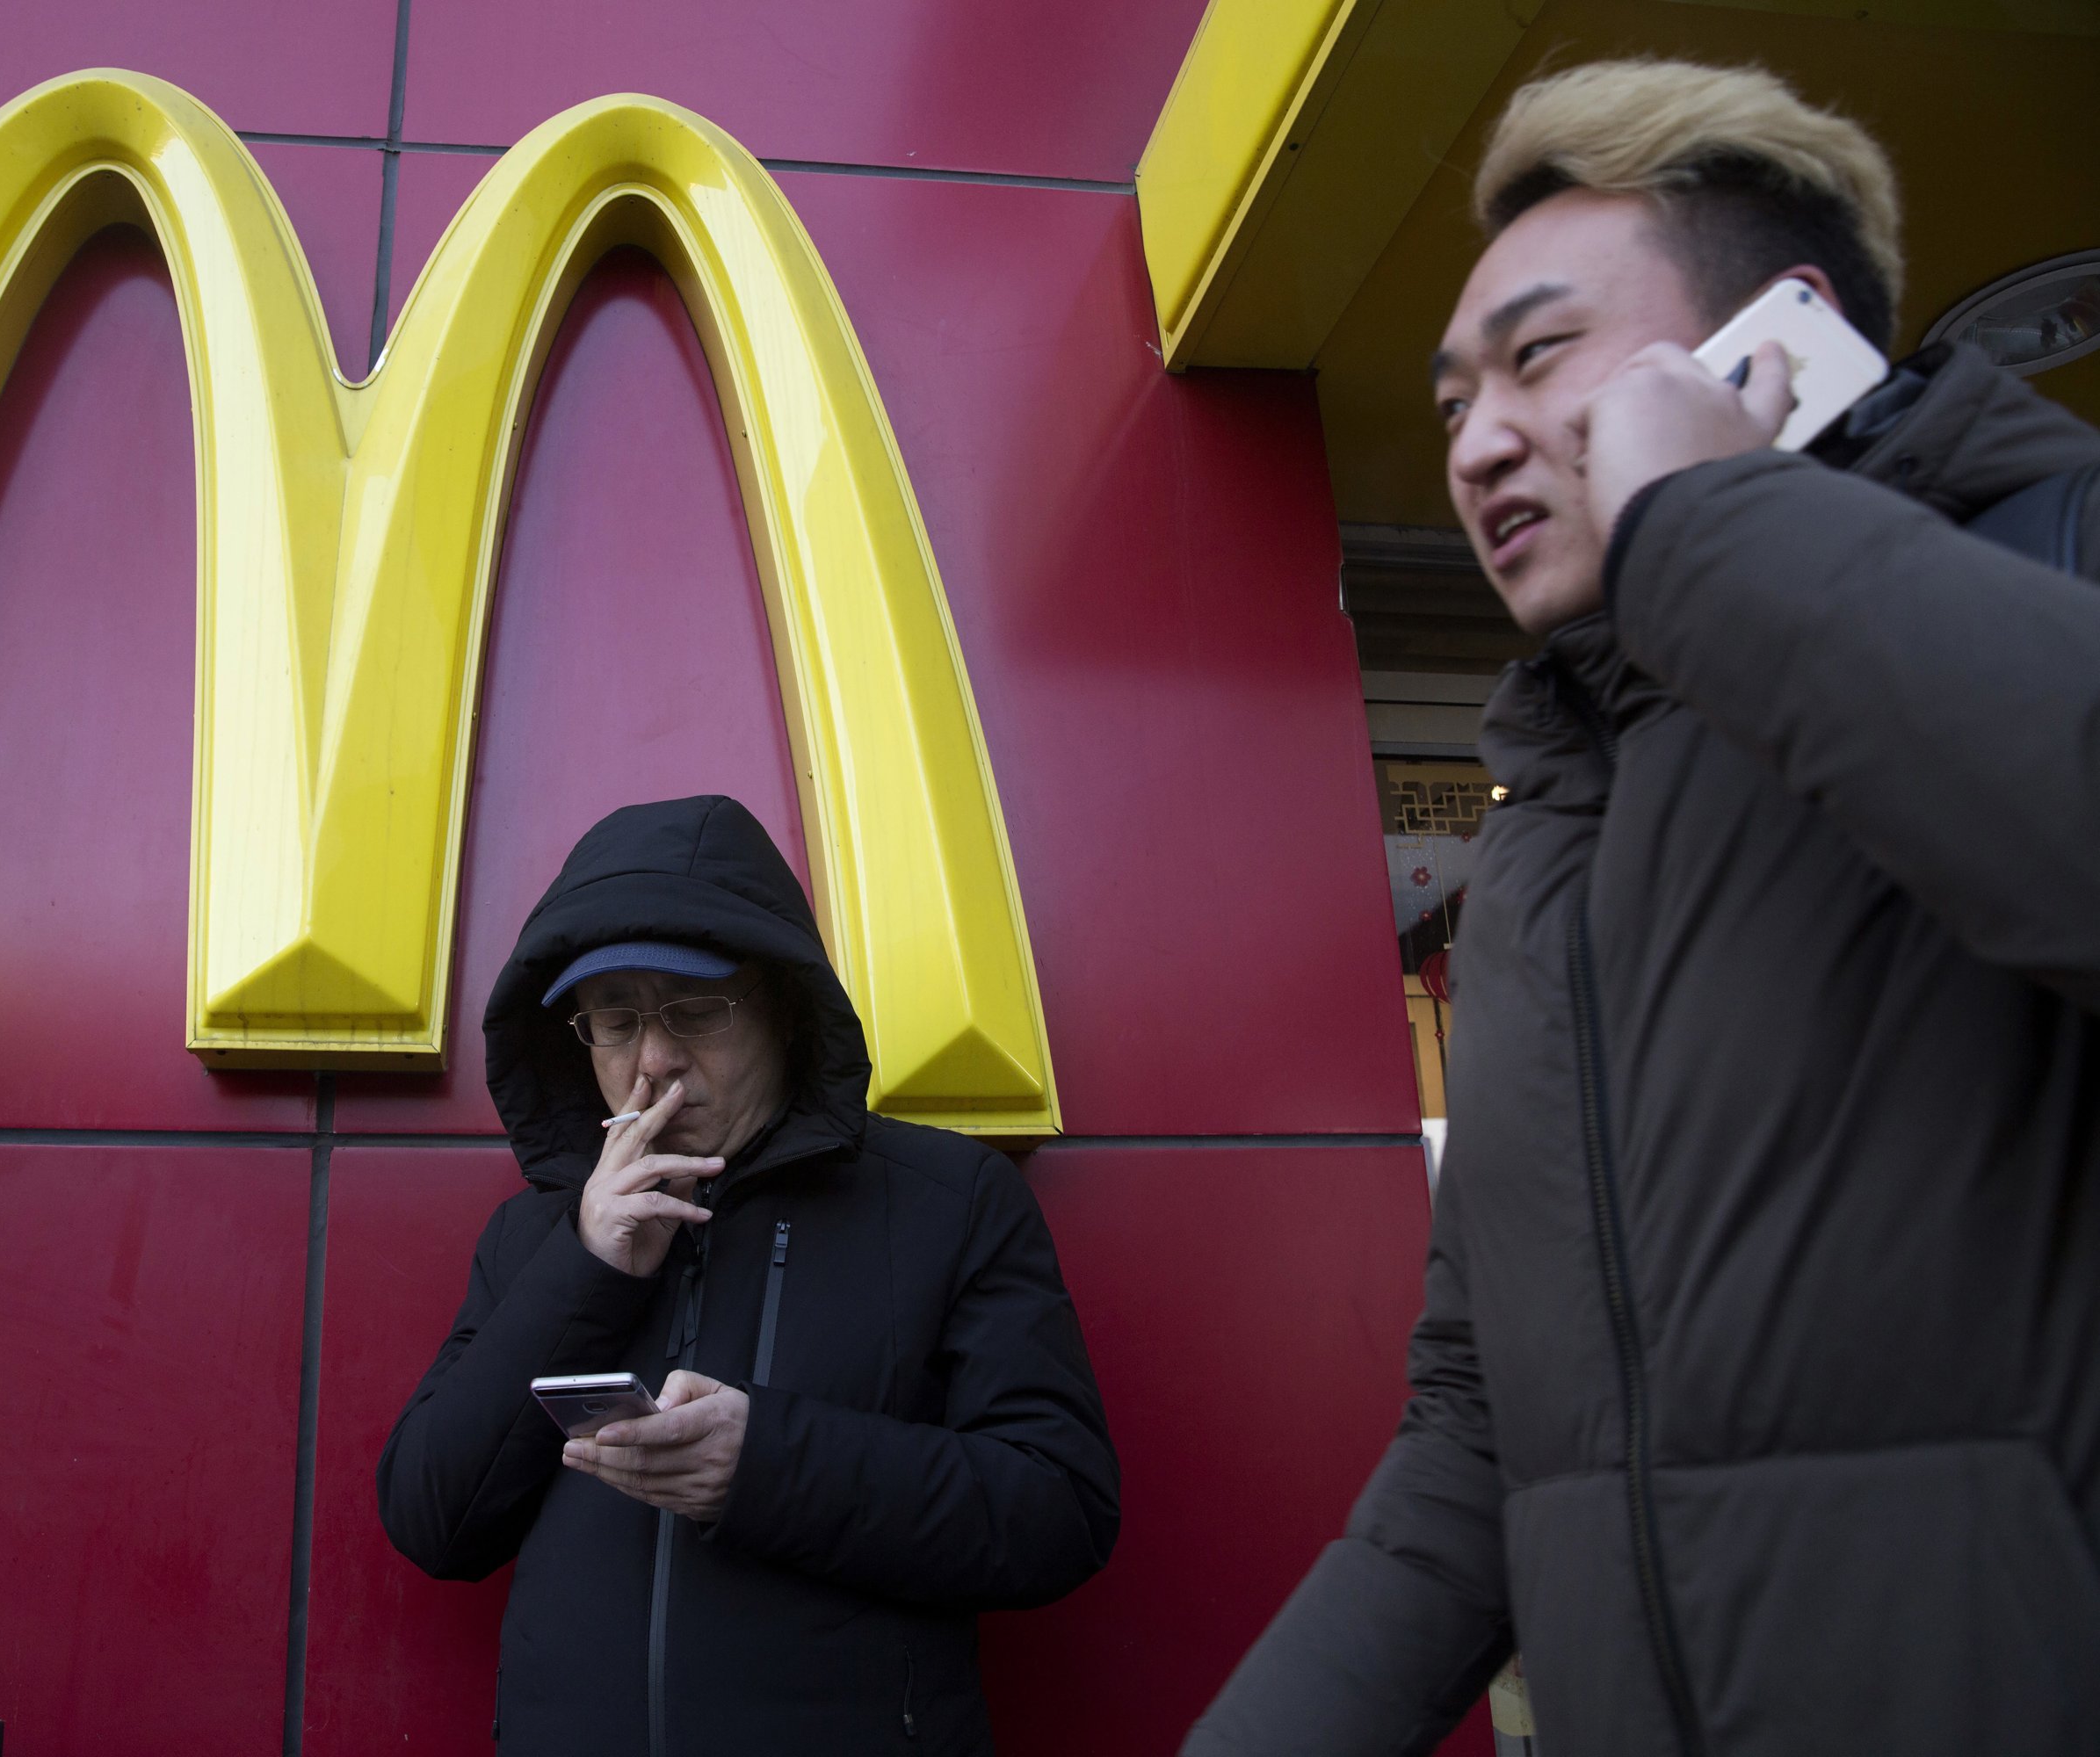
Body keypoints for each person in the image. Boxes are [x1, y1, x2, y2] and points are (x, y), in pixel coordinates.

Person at [1186, 58, 2100, 1756]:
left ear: (1787, 340)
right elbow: (1483, 1429)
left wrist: (1708, 523)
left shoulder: (2057, 549)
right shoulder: (1548, 845)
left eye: (1539, 359)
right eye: (1453, 397)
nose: (1477, 442)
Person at [379, 793, 1118, 1756]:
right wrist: (589, 1266)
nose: (653, 1059)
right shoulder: (534, 1236)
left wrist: (766, 1464)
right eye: (614, 1021)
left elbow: (1057, 1508)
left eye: (695, 1012)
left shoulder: (951, 1201)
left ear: (780, 1008)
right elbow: (433, 1518)